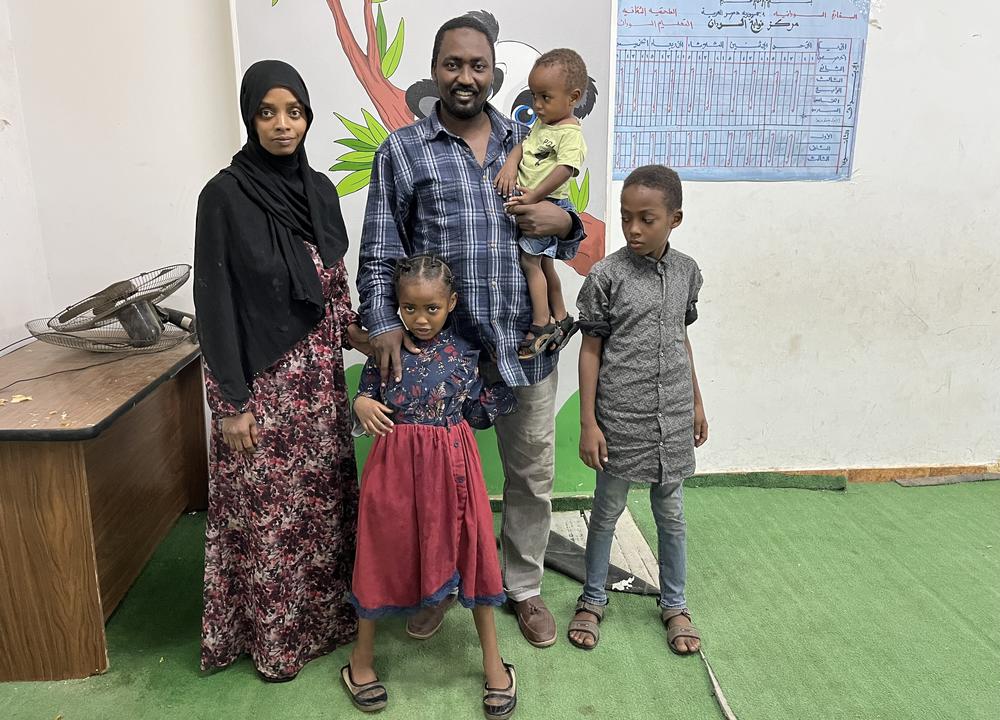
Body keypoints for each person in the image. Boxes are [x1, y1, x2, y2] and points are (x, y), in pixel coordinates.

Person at [357, 15, 586, 648]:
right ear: (435, 71)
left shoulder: (531, 137)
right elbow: (379, 256)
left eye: (477, 66)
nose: (466, 77)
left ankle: (525, 587)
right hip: (442, 358)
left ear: (494, 74)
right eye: (453, 64)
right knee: (434, 483)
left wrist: (563, 226)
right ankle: (438, 586)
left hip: (524, 345)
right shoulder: (402, 152)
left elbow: (563, 230)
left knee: (532, 474)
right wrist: (383, 328)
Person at [193, 59, 370, 681]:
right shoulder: (224, 196)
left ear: (308, 117)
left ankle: (325, 625)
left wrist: (368, 339)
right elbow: (213, 306)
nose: (281, 124)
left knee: (319, 515)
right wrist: (231, 405)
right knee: (270, 524)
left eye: (293, 111)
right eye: (266, 112)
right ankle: (273, 643)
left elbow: (334, 291)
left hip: (319, 392)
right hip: (262, 394)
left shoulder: (320, 191)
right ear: (249, 118)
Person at [343, 255, 517, 717]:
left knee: (474, 549)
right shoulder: (385, 351)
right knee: (380, 554)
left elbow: (477, 414)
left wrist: (508, 375)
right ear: (397, 306)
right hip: (394, 473)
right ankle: (360, 660)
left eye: (432, 309)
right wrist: (360, 404)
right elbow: (366, 402)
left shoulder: (464, 354)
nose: (420, 319)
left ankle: (494, 663)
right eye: (409, 308)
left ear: (451, 303)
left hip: (455, 471)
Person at [568, 165, 708, 655]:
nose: (633, 229)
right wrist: (588, 422)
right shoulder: (606, 275)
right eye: (627, 217)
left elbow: (680, 338)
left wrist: (695, 400)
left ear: (675, 219)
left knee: (671, 515)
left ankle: (675, 604)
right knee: (606, 512)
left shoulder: (688, 272)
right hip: (618, 418)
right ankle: (591, 599)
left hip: (671, 415)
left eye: (647, 219)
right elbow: (590, 349)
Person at [493, 48, 588, 359]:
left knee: (530, 264)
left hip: (548, 203)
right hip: (539, 201)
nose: (536, 105)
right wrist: (510, 164)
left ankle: (540, 323)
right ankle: (560, 316)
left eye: (545, 97)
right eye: (534, 96)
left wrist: (533, 196)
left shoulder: (570, 133)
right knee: (545, 264)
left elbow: (566, 169)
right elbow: (524, 146)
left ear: (573, 97)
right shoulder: (544, 126)